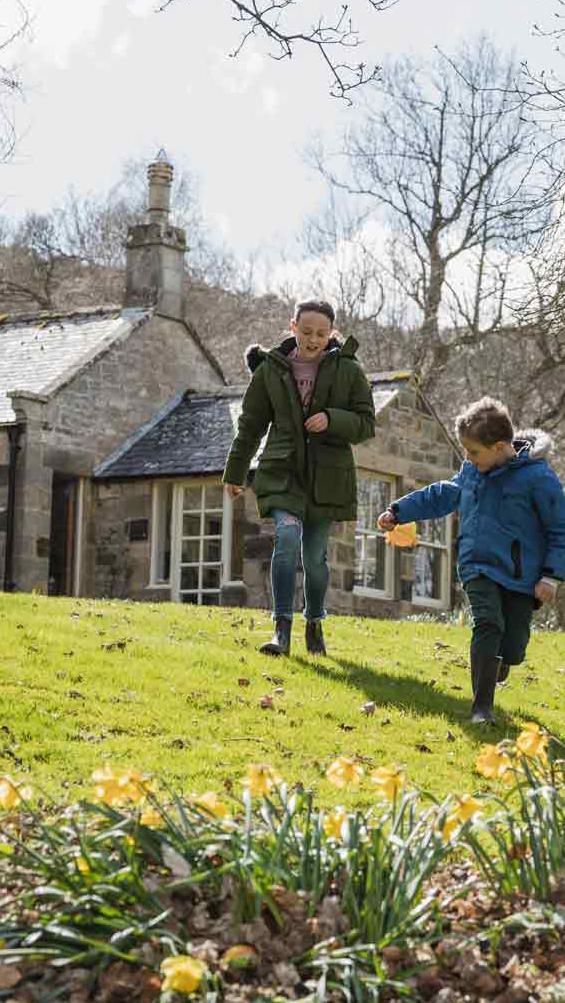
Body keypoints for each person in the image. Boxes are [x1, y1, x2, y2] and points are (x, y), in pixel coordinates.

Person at [377, 397, 565, 724]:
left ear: (500, 447)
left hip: (521, 575)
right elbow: (441, 495)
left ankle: (502, 661)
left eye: (474, 451)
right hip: (477, 565)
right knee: (487, 624)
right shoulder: (472, 472)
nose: (467, 457)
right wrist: (399, 510)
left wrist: (551, 575)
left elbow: (559, 528)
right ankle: (481, 708)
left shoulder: (538, 478)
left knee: (514, 643)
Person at [223, 298, 376, 656]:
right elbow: (251, 425)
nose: (313, 339)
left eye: (321, 333)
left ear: (332, 333)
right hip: (283, 472)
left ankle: (314, 623)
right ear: (293, 327)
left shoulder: (349, 370)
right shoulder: (270, 370)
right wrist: (235, 470)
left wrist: (331, 420)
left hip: (327, 479)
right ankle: (281, 630)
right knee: (287, 538)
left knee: (315, 561)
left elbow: (366, 424)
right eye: (306, 331)